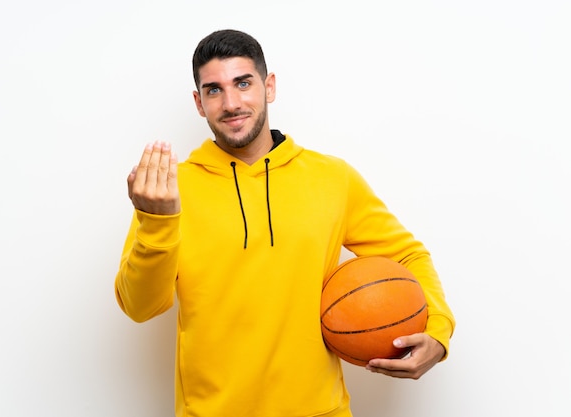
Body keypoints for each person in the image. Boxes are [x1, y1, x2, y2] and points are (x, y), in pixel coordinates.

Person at [115, 29, 455, 417]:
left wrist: (437, 332)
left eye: (243, 83)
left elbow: (408, 254)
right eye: (213, 90)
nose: (231, 103)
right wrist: (157, 222)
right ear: (198, 102)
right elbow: (141, 307)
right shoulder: (171, 190)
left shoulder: (333, 178)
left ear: (269, 86)